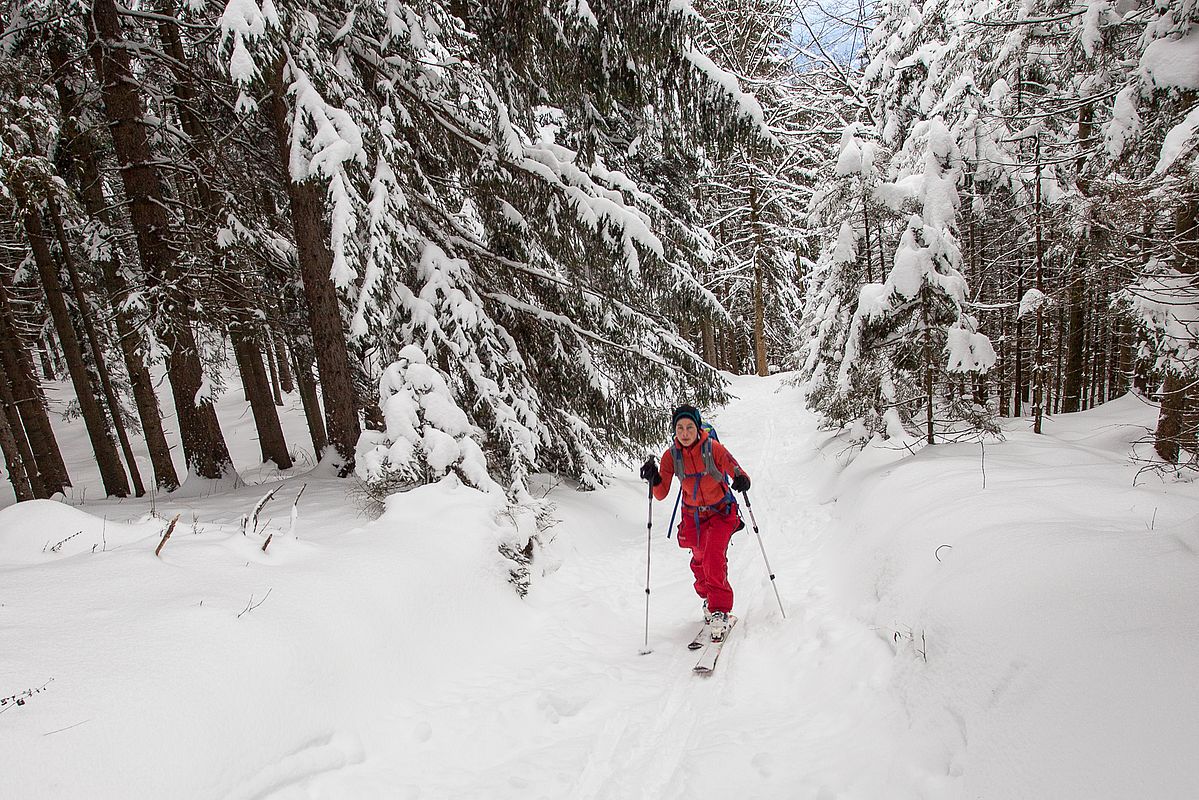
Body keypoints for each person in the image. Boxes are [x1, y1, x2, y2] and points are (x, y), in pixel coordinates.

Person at [639, 405, 750, 641]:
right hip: (693, 515)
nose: (685, 432)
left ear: (698, 427)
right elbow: (661, 493)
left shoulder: (713, 448)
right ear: (674, 430)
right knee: (699, 560)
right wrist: (654, 478)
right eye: (680, 427)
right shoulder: (671, 456)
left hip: (721, 512)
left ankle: (720, 609)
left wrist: (741, 479)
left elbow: (737, 470)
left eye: (690, 427)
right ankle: (708, 598)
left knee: (712, 557)